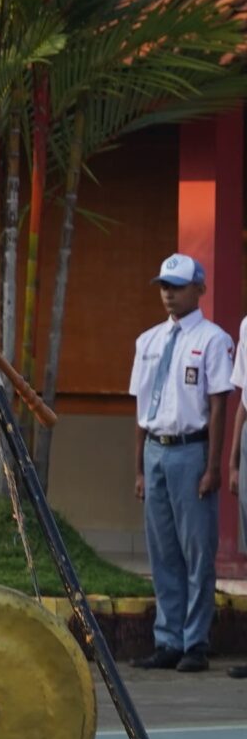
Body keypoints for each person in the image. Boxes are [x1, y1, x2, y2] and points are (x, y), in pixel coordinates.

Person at [125, 253, 230, 674]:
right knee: (162, 551)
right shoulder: (147, 341)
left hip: (191, 449)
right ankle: (167, 639)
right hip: (155, 448)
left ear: (199, 289)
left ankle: (195, 642)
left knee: (197, 550)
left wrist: (214, 465)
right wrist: (137, 467)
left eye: (177, 286)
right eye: (164, 286)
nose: (168, 294)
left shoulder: (213, 339)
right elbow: (139, 408)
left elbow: (218, 405)